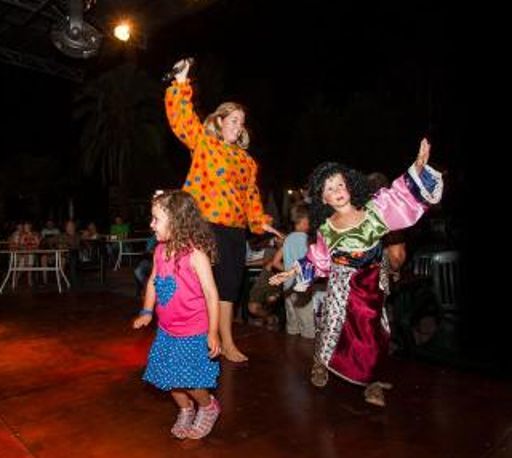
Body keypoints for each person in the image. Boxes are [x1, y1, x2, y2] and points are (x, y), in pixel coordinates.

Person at [269, 139, 443, 407]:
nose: (337, 191)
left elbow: (399, 196)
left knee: (371, 332)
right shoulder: (326, 228)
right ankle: (322, 362)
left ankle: (372, 380)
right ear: (323, 198)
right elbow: (318, 258)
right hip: (342, 283)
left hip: (372, 283)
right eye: (329, 188)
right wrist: (291, 270)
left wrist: (418, 167)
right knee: (333, 324)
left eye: (340, 184)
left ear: (350, 186)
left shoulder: (374, 211)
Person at [165, 58, 281, 362]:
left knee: (229, 286)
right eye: (233, 120)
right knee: (200, 286)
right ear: (219, 121)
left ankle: (227, 342)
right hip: (203, 225)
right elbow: (182, 120)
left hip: (233, 231)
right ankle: (196, 341)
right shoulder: (205, 143)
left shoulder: (247, 162)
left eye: (241, 122)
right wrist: (181, 83)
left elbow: (250, 196)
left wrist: (259, 222)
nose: (238, 126)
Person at [133, 190, 222, 440]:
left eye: (156, 219)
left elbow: (211, 294)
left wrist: (213, 332)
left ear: (177, 221)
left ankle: (208, 406)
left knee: (190, 380)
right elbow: (153, 281)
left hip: (193, 331)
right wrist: (147, 311)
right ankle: (185, 409)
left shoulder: (196, 255)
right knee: (168, 377)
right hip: (167, 330)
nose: (151, 225)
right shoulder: (159, 251)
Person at [270, 204, 318, 339]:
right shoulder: (307, 240)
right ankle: (306, 352)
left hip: (287, 288)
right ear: (305, 221)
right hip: (301, 288)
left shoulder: (288, 239)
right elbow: (307, 264)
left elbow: (275, 262)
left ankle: (291, 350)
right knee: (308, 328)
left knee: (292, 327)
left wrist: (288, 271)